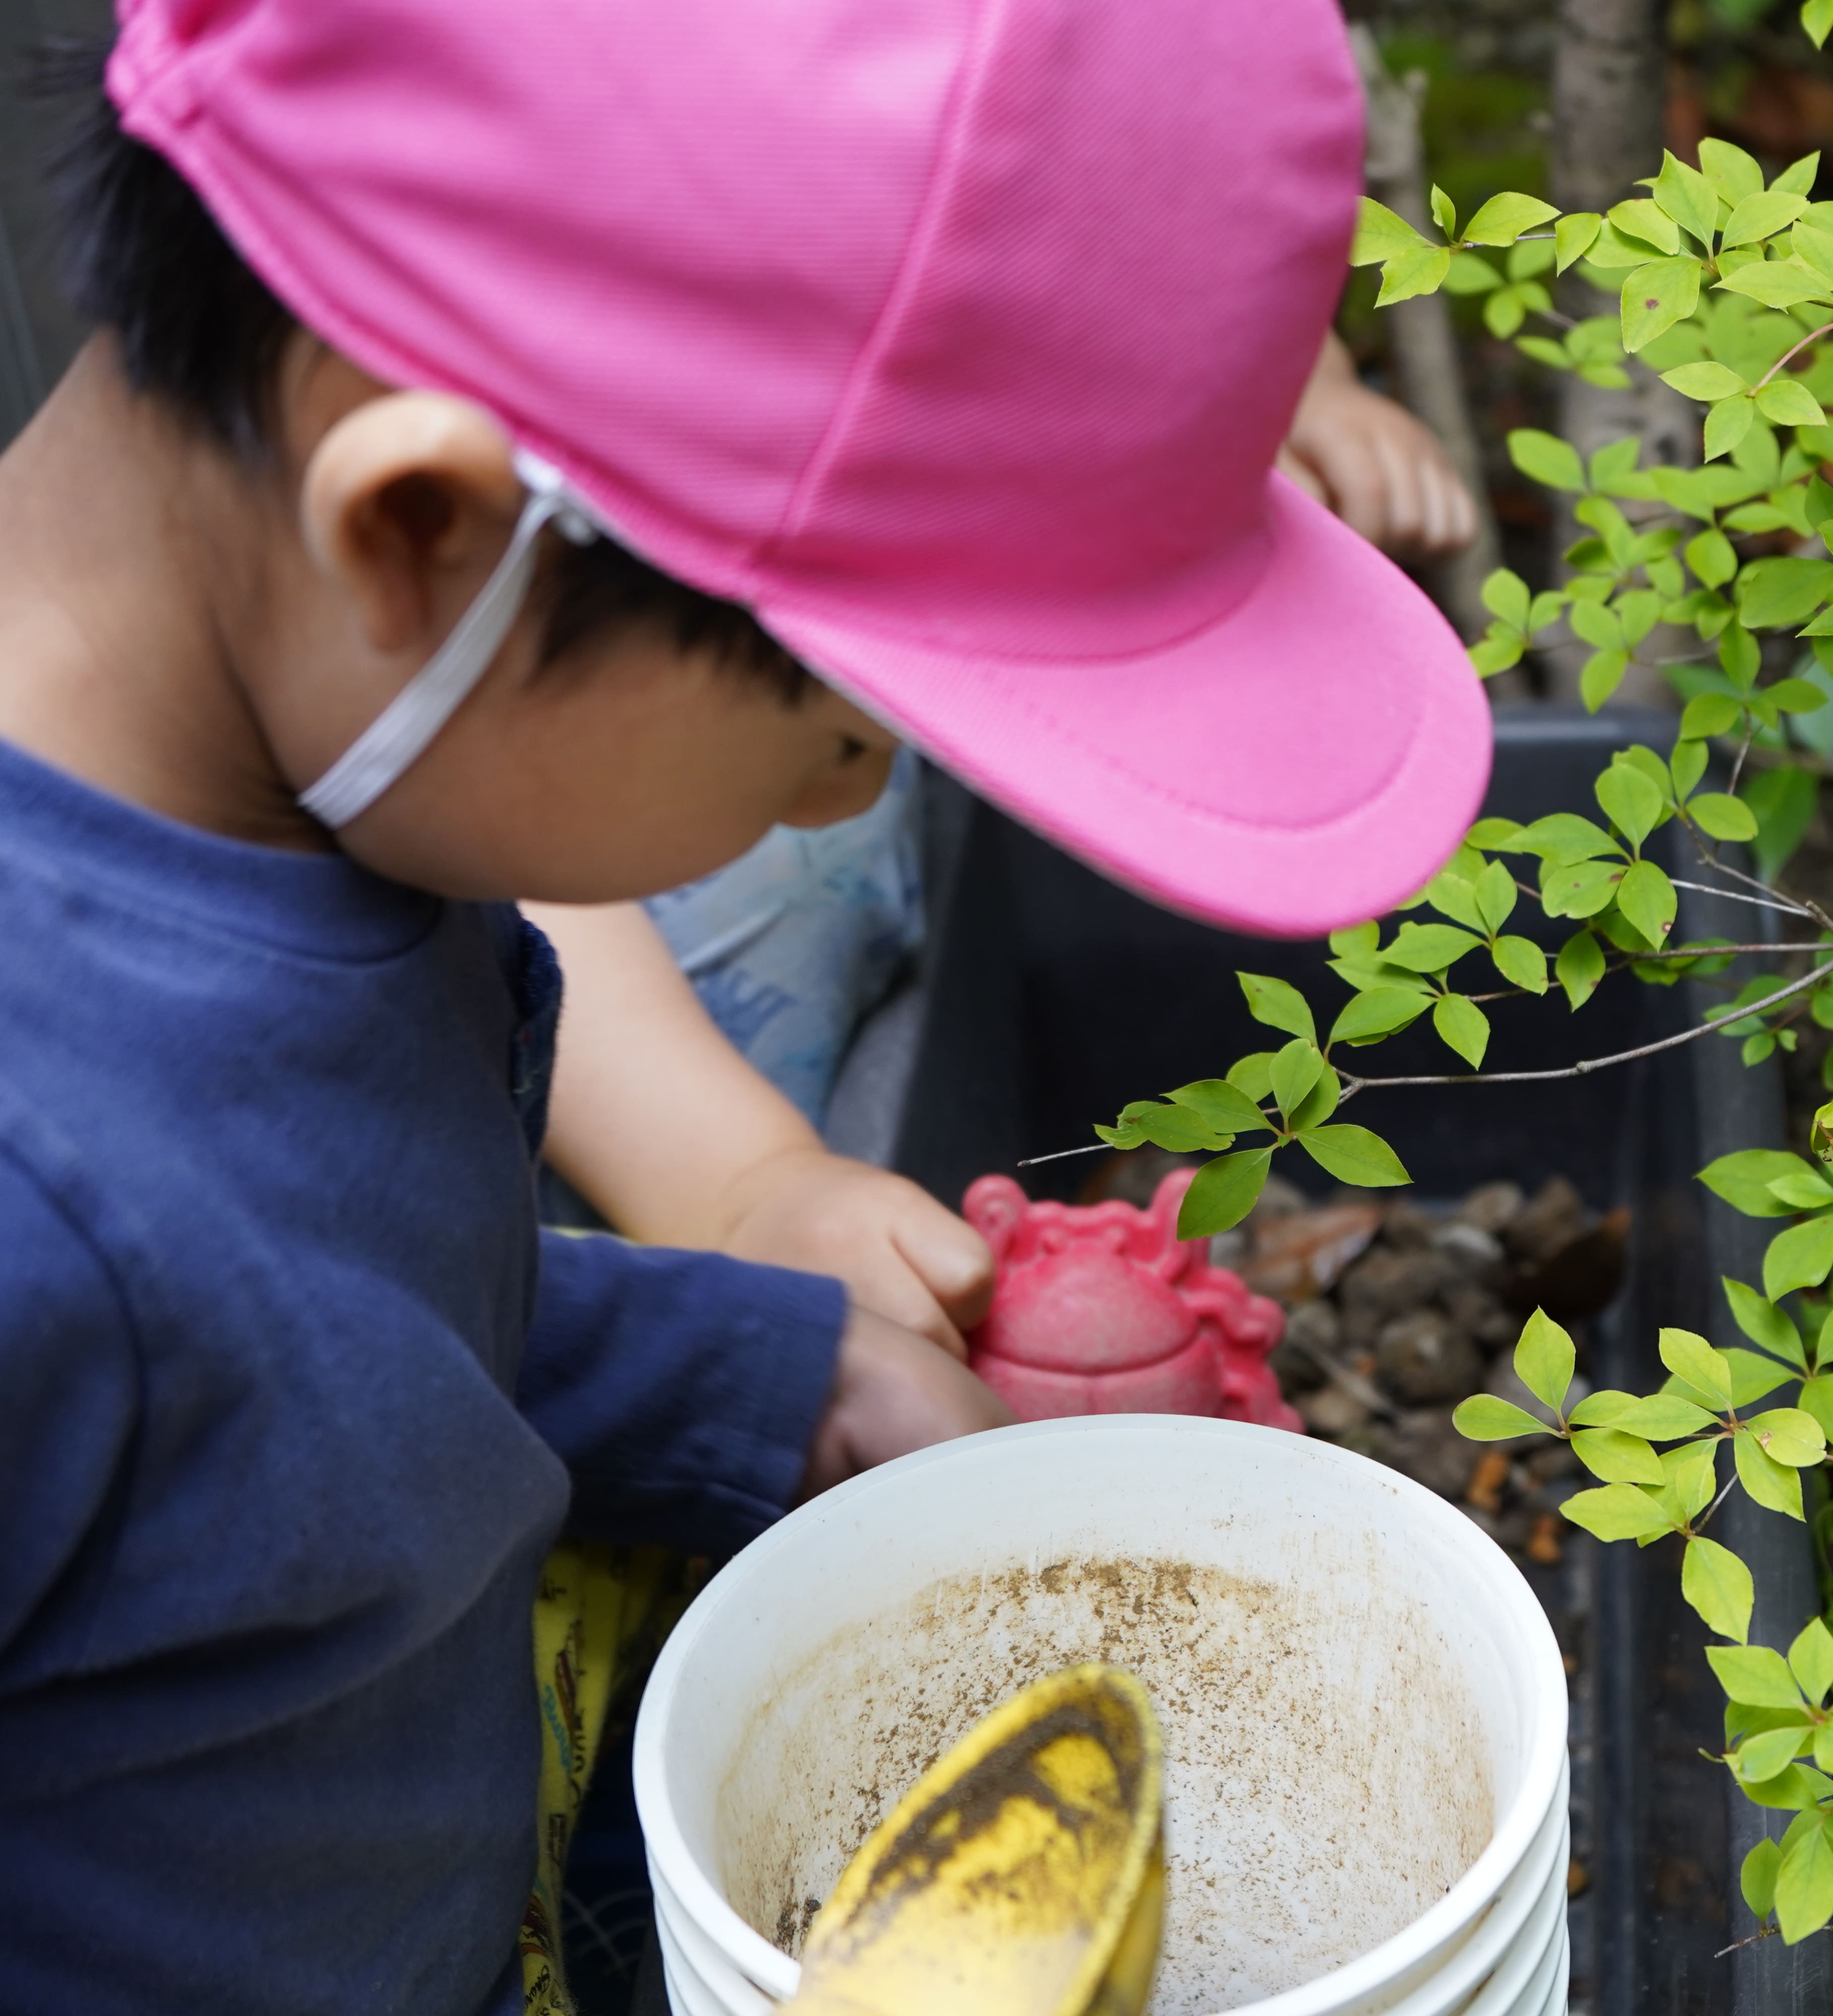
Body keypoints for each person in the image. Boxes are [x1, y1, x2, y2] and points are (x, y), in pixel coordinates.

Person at [0, 0, 1492, 2006]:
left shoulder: (306, 827)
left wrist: (749, 1374)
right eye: (847, 719)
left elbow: (298, 1350)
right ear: (426, 537)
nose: (853, 797)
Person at [531, 332, 1481, 1354]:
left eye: (886, 737)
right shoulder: (494, 799)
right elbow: (527, 901)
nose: (852, 793)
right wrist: (738, 1188)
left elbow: (1141, 211)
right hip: (622, 1102)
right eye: (853, 737)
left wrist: (1302, 384)